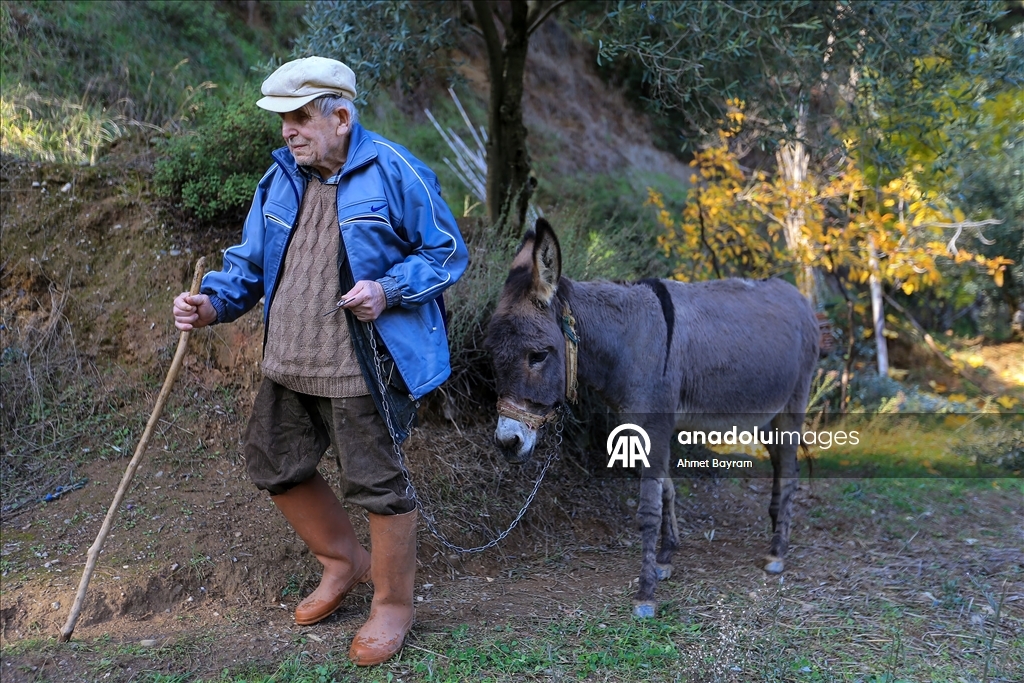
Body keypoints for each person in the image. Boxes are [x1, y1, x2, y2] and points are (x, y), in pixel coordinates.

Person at [172, 56, 468, 666]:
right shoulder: (279, 177)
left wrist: (388, 289)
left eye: (300, 117)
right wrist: (209, 304)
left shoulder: (396, 170)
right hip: (289, 358)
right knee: (273, 462)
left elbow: (447, 254)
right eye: (283, 119)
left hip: (359, 365)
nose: (288, 131)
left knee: (377, 487)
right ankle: (343, 561)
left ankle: (392, 605)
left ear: (340, 115)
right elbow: (250, 266)